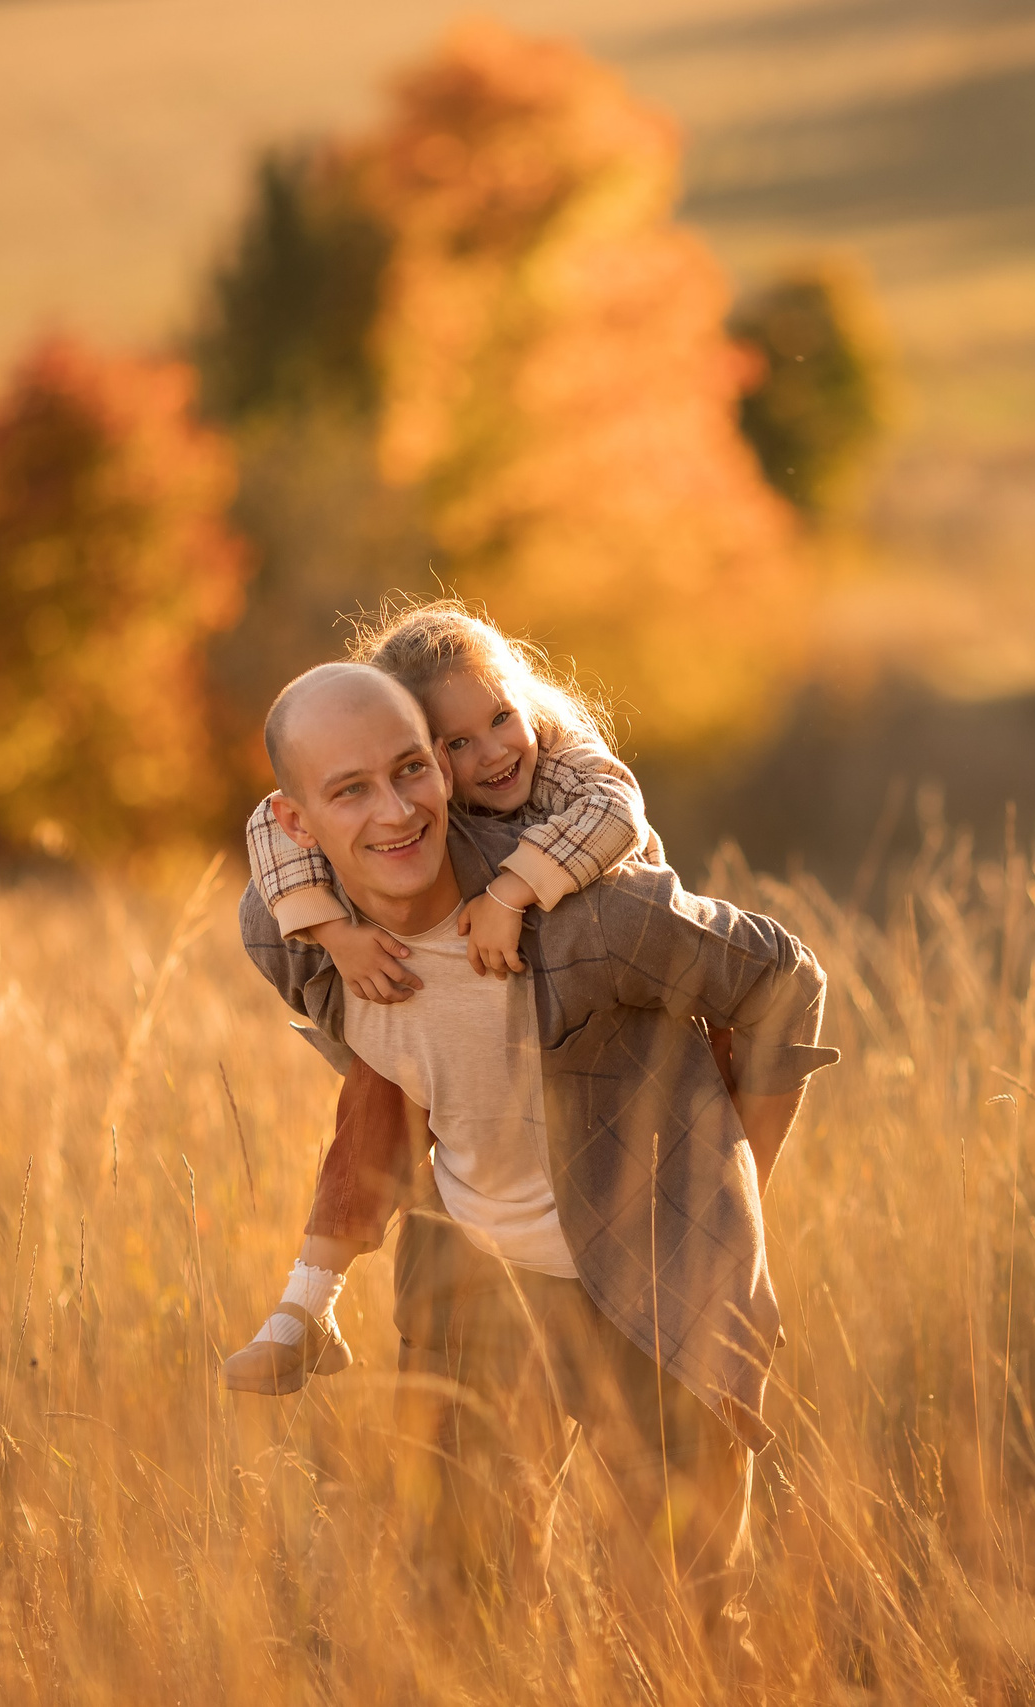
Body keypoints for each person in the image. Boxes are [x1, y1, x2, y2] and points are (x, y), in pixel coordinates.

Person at [226, 660, 835, 1654]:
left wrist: (732, 1186)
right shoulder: (290, 936)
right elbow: (383, 1062)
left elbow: (784, 982)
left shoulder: (597, 921)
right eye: (349, 791)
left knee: (687, 1620)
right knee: (459, 1608)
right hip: (468, 1275)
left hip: (655, 1279)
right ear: (297, 823)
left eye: (411, 770)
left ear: (440, 768)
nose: (394, 812)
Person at [225, 602, 687, 1394]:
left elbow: (618, 811)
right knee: (383, 1063)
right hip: (470, 1114)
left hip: (604, 1011)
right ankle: (308, 1302)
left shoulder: (560, 762)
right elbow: (272, 823)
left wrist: (510, 891)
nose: (491, 753)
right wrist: (333, 931)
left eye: (501, 717)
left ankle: (311, 1301)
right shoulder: (408, 806)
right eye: (455, 745)